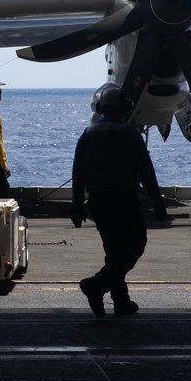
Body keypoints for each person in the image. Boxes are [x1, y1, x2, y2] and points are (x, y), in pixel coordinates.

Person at [72, 86, 166, 318]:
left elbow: (78, 174)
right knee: (135, 244)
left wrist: (76, 204)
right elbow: (146, 170)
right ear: (126, 108)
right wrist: (157, 198)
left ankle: (121, 302)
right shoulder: (129, 133)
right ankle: (95, 285)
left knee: (113, 251)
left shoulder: (87, 133)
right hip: (123, 201)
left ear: (101, 108)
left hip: (98, 204)